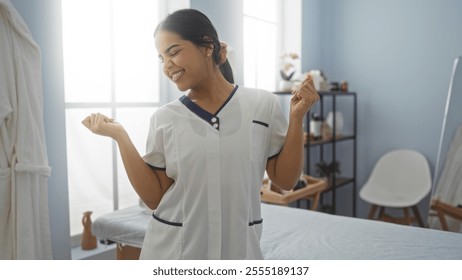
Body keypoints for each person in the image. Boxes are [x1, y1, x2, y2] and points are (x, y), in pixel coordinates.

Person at [82, 8, 319, 260]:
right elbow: (154, 198)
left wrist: (297, 119)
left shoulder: (262, 105)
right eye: (161, 58)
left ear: (207, 46)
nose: (167, 65)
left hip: (238, 252)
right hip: (174, 253)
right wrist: (120, 136)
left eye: (173, 52)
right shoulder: (165, 118)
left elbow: (285, 181)